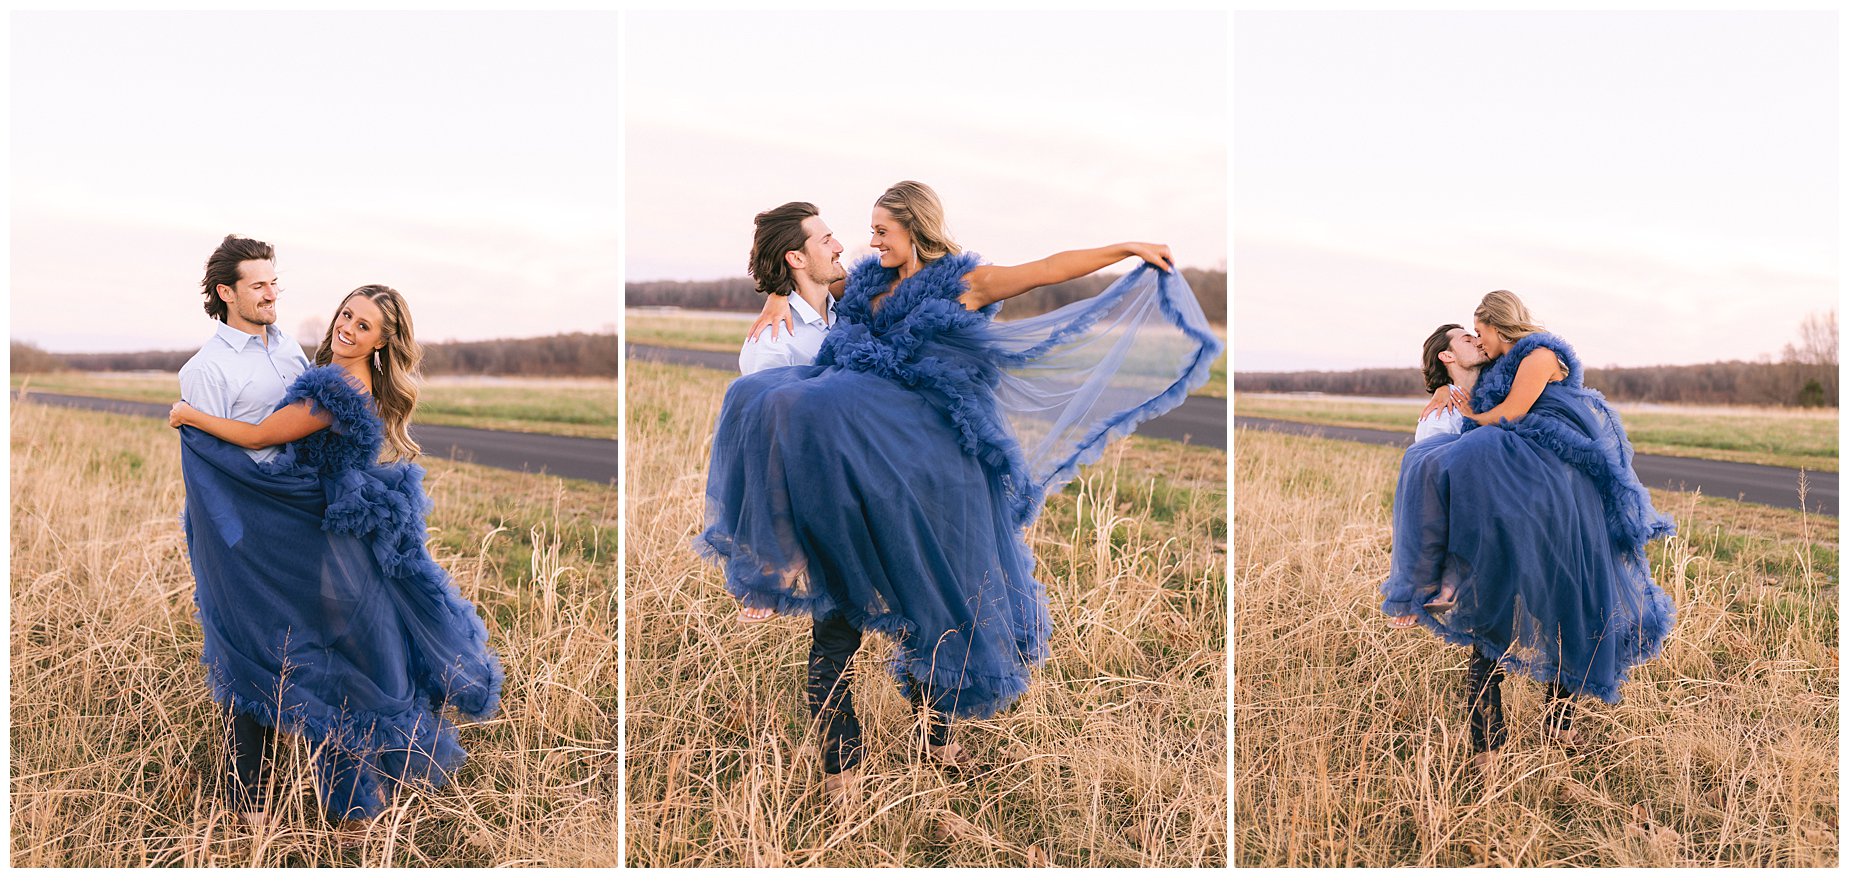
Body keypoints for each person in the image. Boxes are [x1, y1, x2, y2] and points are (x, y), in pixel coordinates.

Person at [698, 180, 1221, 799]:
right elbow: (805, 276)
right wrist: (775, 300)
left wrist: (1123, 248)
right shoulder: (862, 285)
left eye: (881, 231)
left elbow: (1046, 269)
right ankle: (844, 773)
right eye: (865, 232)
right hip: (862, 478)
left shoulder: (963, 283)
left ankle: (935, 743)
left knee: (939, 606)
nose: (867, 242)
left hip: (934, 472)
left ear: (914, 229)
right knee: (835, 612)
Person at [171, 278, 503, 824]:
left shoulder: (338, 388)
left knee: (332, 668)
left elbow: (259, 437)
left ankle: (338, 809)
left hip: (324, 537)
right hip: (333, 530)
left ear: (380, 342)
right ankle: (331, 806)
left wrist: (190, 415)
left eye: (362, 325)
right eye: (346, 314)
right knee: (333, 662)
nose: (346, 327)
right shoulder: (354, 378)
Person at [1380, 290, 1676, 770]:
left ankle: (1559, 727)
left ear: (1498, 329)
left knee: (1564, 611)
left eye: (1480, 332)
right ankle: (1486, 749)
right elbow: (1436, 493)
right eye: (1467, 337)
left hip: (1551, 516)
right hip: (1493, 536)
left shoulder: (1515, 368)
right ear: (1448, 357)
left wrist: (1469, 408)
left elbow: (1516, 413)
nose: (1478, 340)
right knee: (1488, 630)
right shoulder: (1442, 413)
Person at [728, 201, 849, 624]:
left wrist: (780, 292)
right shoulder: (773, 344)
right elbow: (771, 449)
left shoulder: (843, 313)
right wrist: (781, 549)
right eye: (826, 239)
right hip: (826, 485)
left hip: (862, 466)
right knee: (839, 611)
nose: (839, 246)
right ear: (796, 258)